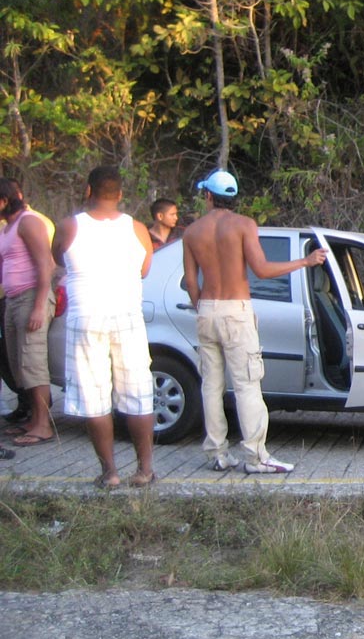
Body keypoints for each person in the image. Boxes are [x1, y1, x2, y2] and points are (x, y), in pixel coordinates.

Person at [183, 168, 327, 474]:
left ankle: (217, 453)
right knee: (247, 384)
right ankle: (255, 456)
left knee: (211, 384)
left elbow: (190, 281)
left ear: (208, 196)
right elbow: (261, 269)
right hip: (236, 310)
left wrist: (201, 306)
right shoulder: (243, 225)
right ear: (233, 198)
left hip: (207, 308)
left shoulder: (192, 231)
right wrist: (305, 260)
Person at [52, 166, 157, 488]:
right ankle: (144, 470)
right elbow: (144, 269)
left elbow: (58, 257)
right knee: (138, 392)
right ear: (121, 194)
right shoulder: (137, 229)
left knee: (93, 395)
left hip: (85, 317)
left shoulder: (69, 227)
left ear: (88, 190)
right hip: (126, 316)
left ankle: (109, 472)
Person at [0, 177, 57, 451]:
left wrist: (38, 305)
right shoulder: (7, 227)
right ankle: (33, 418)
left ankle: (44, 425)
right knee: (18, 364)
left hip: (31, 297)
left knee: (33, 362)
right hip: (12, 300)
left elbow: (46, 263)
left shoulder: (28, 221)